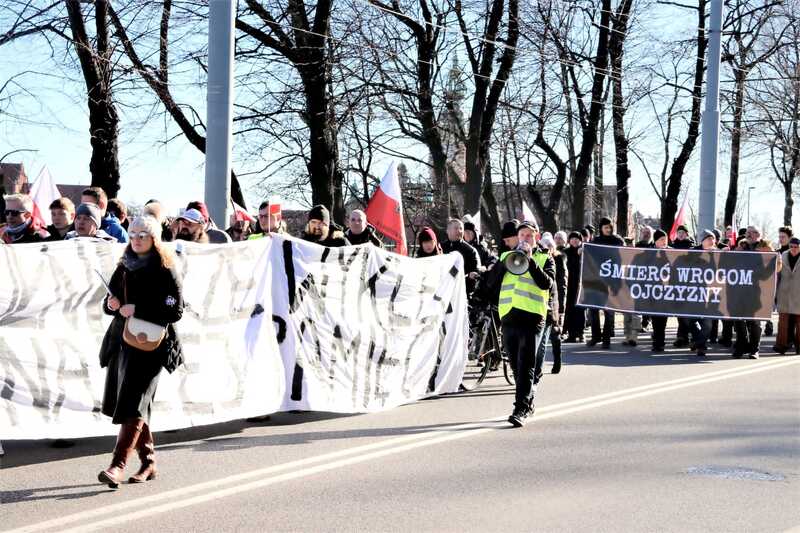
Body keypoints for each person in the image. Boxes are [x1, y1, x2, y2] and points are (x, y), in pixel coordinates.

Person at [97, 216, 183, 488]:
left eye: (142, 234)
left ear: (154, 238)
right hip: (123, 341)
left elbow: (175, 310)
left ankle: (117, 465)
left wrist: (138, 309)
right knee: (133, 402)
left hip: (152, 345)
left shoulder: (165, 269)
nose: (135, 239)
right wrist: (111, 304)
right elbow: (110, 303)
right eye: (132, 234)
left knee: (134, 402)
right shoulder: (124, 265)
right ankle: (148, 462)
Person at [487, 221, 555, 427]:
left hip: (532, 316)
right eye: (522, 235)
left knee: (526, 364)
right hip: (509, 315)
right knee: (516, 364)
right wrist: (502, 265)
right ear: (518, 237)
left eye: (529, 235)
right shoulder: (505, 257)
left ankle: (520, 408)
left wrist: (530, 260)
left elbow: (547, 284)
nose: (525, 238)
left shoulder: (545, 258)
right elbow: (491, 283)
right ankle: (527, 401)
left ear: (536, 238)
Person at [588, 217, 624, 349]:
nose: (608, 230)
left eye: (610, 227)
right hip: (597, 280)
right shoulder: (596, 241)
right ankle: (595, 336)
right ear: (601, 228)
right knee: (593, 309)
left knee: (609, 310)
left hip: (612, 280)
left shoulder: (617, 241)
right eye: (605, 227)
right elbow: (589, 256)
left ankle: (606, 339)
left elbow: (624, 256)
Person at [537, 234, 564, 374]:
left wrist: (561, 306)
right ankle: (538, 367)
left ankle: (557, 360)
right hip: (540, 299)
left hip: (554, 299)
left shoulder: (558, 259)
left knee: (555, 333)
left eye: (549, 245)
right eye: (544, 245)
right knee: (541, 336)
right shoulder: (539, 258)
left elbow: (562, 283)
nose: (547, 248)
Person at [774, 237, 800, 355]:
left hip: (798, 293)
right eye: (791, 247)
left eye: (796, 247)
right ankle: (781, 345)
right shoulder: (782, 256)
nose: (793, 249)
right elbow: (777, 274)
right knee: (783, 322)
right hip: (784, 292)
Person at [441, 218, 481, 293]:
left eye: (461, 228)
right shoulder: (440, 248)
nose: (459, 231)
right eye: (456, 228)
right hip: (442, 291)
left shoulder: (470, 250)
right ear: (448, 231)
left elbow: (475, 272)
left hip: (462, 291)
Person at [650, 229, 671, 352]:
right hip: (652, 290)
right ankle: (657, 341)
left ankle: (660, 342)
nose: (664, 242)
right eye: (661, 239)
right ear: (656, 241)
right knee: (655, 318)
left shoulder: (672, 252)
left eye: (665, 239)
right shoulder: (648, 253)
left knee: (663, 318)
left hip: (666, 291)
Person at [563, 231, 585, 343]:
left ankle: (581, 333)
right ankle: (571, 334)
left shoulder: (584, 252)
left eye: (577, 239)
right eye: (572, 238)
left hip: (581, 285)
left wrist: (581, 254)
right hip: (568, 285)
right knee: (569, 310)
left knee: (580, 310)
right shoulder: (565, 252)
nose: (575, 240)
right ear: (569, 240)